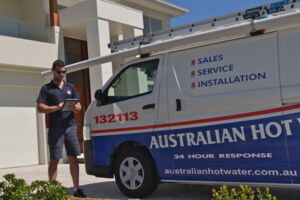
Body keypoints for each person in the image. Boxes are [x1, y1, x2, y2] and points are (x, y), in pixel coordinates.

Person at [36, 59, 86, 198]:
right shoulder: (46, 89)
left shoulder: (70, 87)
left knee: (73, 158)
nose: (62, 74)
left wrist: (77, 108)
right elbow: (40, 108)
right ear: (53, 71)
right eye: (59, 72)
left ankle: (76, 189)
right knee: (54, 159)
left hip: (70, 127)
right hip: (55, 128)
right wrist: (56, 107)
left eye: (64, 72)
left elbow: (79, 106)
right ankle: (52, 191)